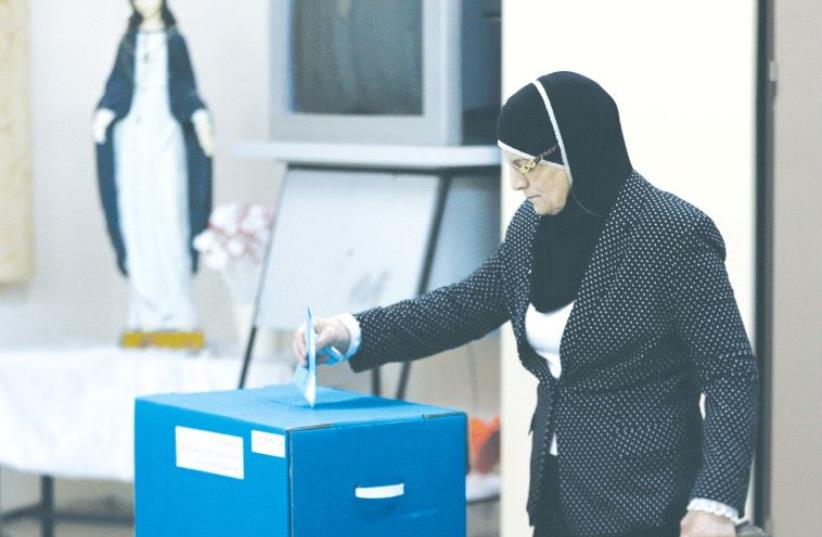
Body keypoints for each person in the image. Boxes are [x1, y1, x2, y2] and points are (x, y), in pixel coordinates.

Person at [291, 71, 759, 537]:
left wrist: (715, 502)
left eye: (526, 166)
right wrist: (352, 331)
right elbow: (463, 305)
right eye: (509, 165)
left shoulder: (671, 233)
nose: (516, 184)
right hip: (558, 490)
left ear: (574, 149)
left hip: (647, 501)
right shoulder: (532, 228)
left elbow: (731, 371)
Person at [93, 0, 213, 341]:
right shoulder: (128, 42)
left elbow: (187, 90)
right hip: (133, 139)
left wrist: (200, 116)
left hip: (166, 134)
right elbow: (117, 88)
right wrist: (104, 114)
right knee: (137, 216)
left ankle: (177, 310)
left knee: (170, 213)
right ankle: (144, 312)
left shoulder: (175, 40)